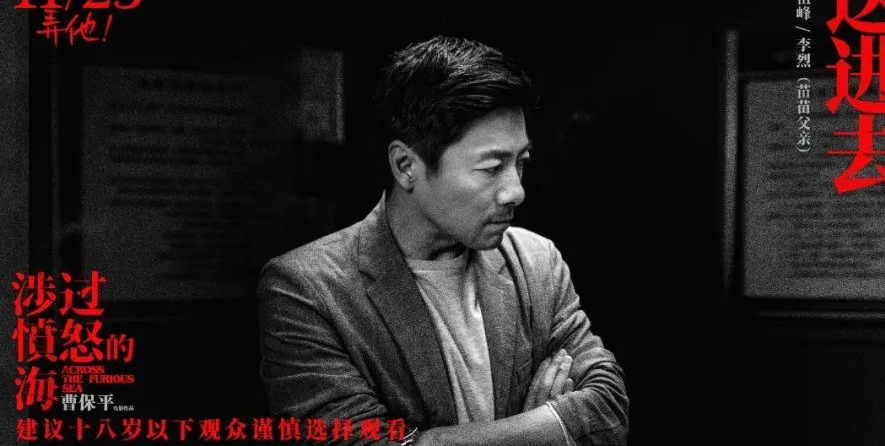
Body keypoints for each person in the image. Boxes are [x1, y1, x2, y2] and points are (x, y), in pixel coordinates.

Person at [257, 35, 629, 445]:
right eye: (492, 167)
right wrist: (548, 425)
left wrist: (430, 440)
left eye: (521, 162)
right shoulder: (308, 290)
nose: (516, 191)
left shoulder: (536, 261)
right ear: (406, 166)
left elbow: (608, 408)